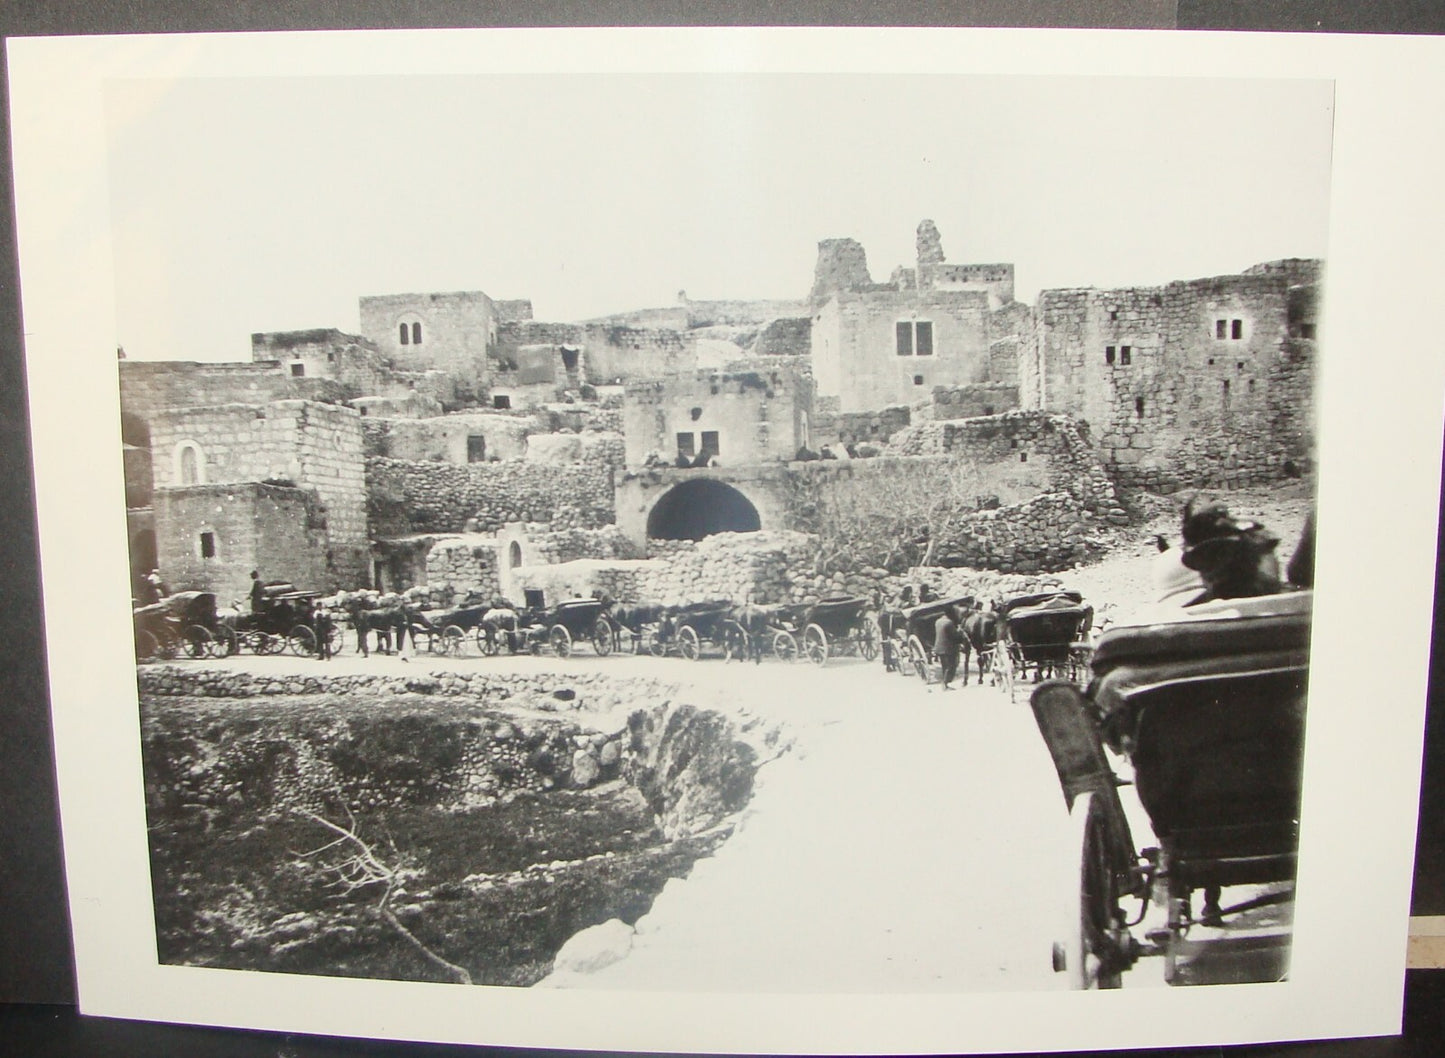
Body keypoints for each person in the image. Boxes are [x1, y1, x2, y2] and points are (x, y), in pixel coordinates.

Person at [933, 605, 963, 691]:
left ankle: (945, 684)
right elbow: (955, 637)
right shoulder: (949, 623)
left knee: (945, 666)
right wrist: (960, 631)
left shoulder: (938, 621)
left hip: (939, 647)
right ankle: (945, 684)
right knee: (951, 666)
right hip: (948, 648)